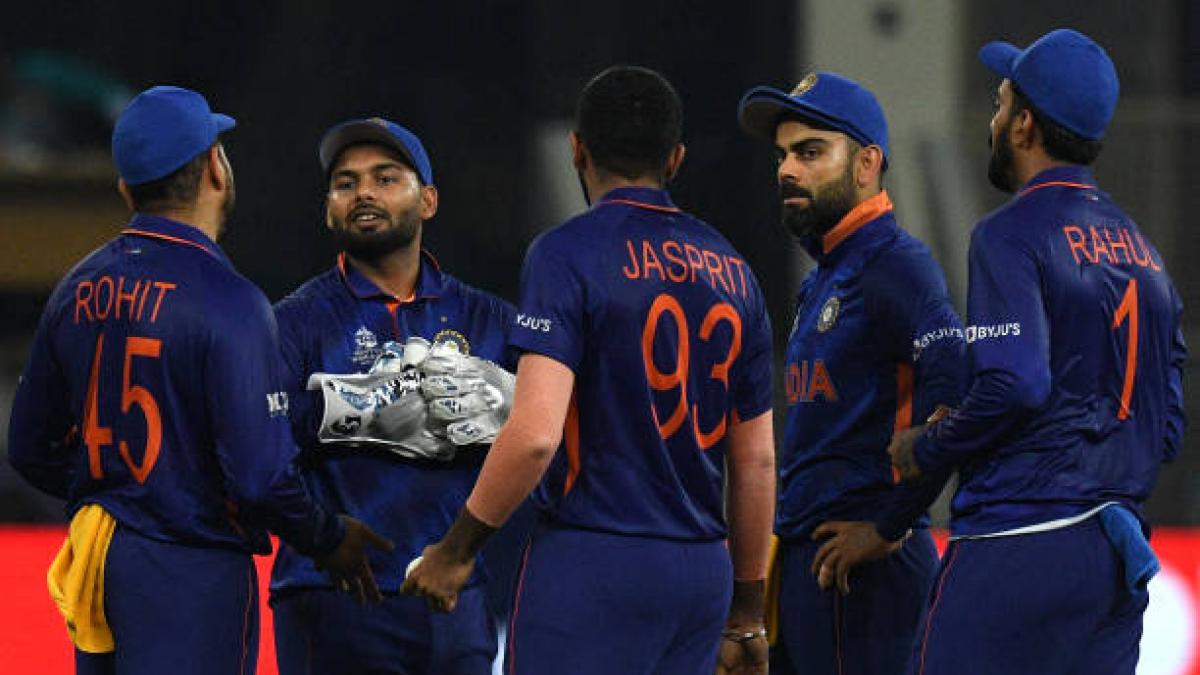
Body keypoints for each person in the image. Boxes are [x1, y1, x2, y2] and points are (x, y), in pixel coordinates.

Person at [402, 65, 777, 675]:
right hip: (701, 573)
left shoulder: (567, 253)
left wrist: (456, 552)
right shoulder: (735, 271)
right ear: (676, 159)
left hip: (596, 559)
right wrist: (748, 611)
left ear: (577, 149)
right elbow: (756, 461)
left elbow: (536, 437)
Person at [6, 85, 389, 675]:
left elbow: (29, 449)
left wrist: (122, 494)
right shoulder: (229, 301)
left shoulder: (76, 287)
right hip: (190, 569)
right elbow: (260, 481)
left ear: (126, 189)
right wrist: (328, 537)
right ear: (215, 165)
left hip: (101, 561)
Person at [881, 29, 1186, 674]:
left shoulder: (1009, 234)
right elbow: (1168, 428)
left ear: (1023, 126)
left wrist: (929, 445)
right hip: (1113, 557)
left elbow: (1016, 383)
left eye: (998, 104)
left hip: (1017, 545)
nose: (991, 121)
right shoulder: (1146, 256)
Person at [268, 116, 524, 675]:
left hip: (456, 601)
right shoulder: (290, 325)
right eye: (345, 182)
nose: (362, 191)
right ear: (328, 207)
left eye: (386, 178)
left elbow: (536, 446)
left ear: (427, 201)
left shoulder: (492, 321)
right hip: (335, 598)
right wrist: (323, 538)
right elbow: (265, 462)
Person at [736, 73, 966, 675]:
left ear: (867, 163)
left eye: (810, 152)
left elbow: (957, 394)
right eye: (783, 154)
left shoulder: (898, 267)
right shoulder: (825, 276)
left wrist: (889, 523)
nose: (786, 169)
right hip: (809, 565)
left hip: (864, 573)